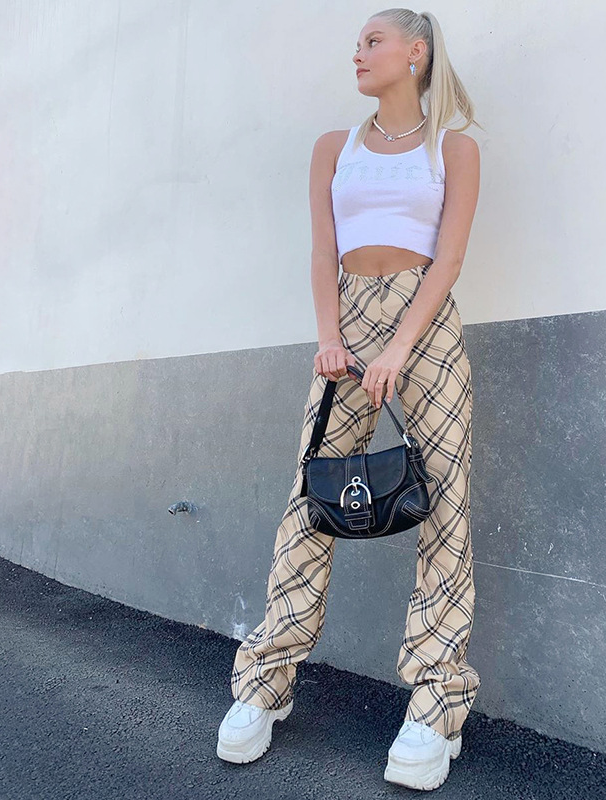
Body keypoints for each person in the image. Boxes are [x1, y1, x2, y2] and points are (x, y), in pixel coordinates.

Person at [217, 8, 482, 792]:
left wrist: (399, 346)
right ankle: (264, 683)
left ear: (415, 52)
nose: (358, 53)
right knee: (310, 500)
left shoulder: (454, 148)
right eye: (357, 43)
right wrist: (330, 336)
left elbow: (449, 256)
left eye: (373, 41)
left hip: (424, 322)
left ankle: (436, 703)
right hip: (347, 322)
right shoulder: (334, 147)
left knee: (444, 502)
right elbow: (323, 249)